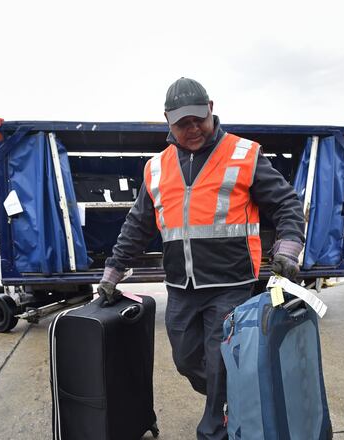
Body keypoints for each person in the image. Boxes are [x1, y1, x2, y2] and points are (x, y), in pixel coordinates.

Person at [97, 77, 305, 440]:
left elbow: (286, 203)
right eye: (182, 122)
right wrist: (113, 272)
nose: (192, 128)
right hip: (181, 286)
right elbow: (138, 225)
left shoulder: (243, 154)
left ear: (211, 109)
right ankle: (239, 396)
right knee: (186, 360)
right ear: (167, 120)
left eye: (198, 119)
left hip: (231, 283)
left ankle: (214, 426)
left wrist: (288, 247)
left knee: (220, 357)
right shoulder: (157, 168)